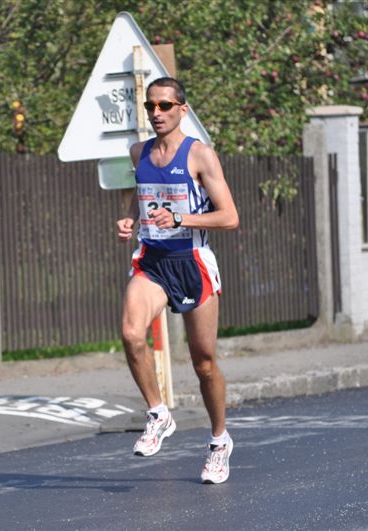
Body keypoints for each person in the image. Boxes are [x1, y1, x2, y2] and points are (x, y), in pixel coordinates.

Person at [116, 77, 239, 484]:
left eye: (165, 105)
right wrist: (128, 219)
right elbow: (136, 194)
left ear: (182, 110)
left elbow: (229, 217)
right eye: (151, 106)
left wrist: (181, 218)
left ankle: (219, 441)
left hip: (192, 262)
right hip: (153, 260)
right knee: (131, 333)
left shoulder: (200, 155)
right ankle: (158, 413)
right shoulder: (139, 153)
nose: (157, 113)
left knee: (204, 364)